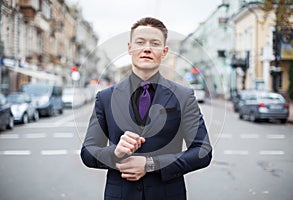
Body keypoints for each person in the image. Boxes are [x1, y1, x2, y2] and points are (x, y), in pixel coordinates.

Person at [81, 17, 212, 200]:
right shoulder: (105, 98)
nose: (147, 48)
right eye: (140, 42)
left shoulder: (184, 96)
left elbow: (202, 151)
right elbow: (87, 152)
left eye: (155, 43)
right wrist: (115, 153)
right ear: (129, 48)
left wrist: (151, 164)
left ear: (164, 51)